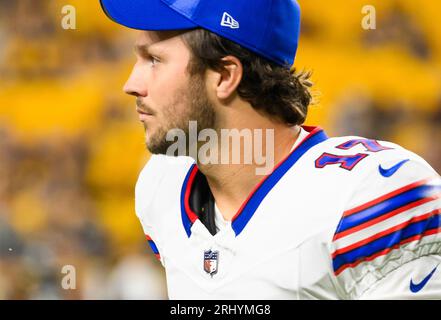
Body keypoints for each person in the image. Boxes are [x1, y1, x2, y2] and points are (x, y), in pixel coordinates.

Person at [100, 0, 441, 299]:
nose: (132, 84)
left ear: (224, 75)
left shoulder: (370, 194)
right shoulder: (161, 185)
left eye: (154, 60)